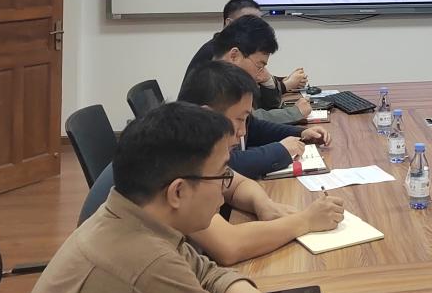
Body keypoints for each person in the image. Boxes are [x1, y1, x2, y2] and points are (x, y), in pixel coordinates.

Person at [7, 102, 295, 293]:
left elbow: (199, 268)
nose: (225, 188)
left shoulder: (128, 217)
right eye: (222, 175)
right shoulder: (143, 265)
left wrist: (233, 288)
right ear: (177, 192)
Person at [80, 62, 345, 264]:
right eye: (240, 119)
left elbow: (235, 183)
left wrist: (263, 204)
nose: (243, 131)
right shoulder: (177, 154)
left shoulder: (187, 138)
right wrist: (305, 220)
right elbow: (229, 247)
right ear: (209, 115)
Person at [184, 0, 308, 95]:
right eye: (248, 20)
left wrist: (281, 81)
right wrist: (285, 85)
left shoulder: (242, 50)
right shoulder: (214, 53)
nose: (255, 27)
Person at [213, 15, 310, 127]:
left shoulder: (230, 77)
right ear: (234, 56)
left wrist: (268, 81)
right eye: (259, 65)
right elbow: (250, 119)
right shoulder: (212, 83)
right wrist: (294, 113)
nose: (259, 72)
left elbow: (265, 108)